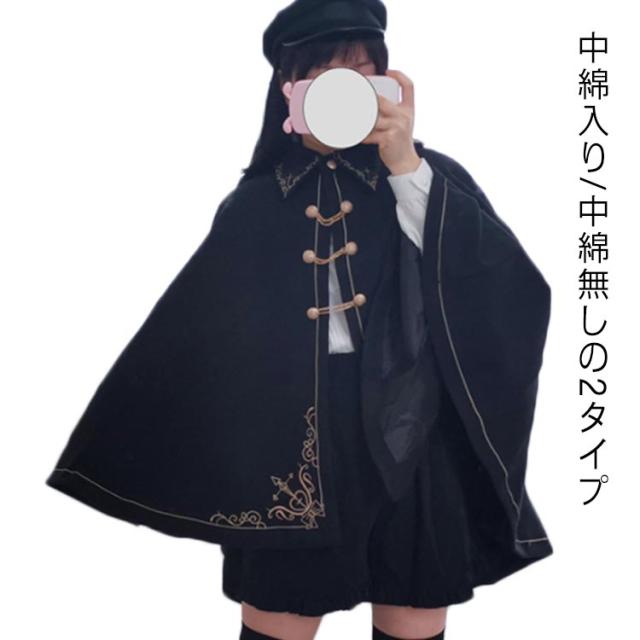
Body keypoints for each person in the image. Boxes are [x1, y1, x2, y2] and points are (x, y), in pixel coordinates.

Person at [45, 1, 554, 639]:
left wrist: (405, 165)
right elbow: (198, 340)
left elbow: (504, 289)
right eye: (322, 78)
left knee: (414, 616)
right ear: (289, 93)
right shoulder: (256, 203)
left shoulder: (429, 181)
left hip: (416, 433)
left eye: (362, 76)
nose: (344, 95)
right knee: (279, 622)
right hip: (292, 449)